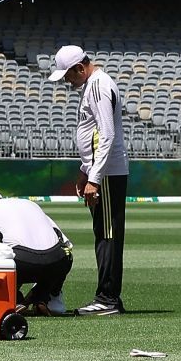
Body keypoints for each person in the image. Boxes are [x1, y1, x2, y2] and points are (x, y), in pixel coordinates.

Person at [49, 44, 128, 316]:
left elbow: (106, 135)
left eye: (68, 75)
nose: (67, 82)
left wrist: (94, 177)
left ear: (80, 68)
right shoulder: (93, 85)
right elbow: (94, 134)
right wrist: (85, 171)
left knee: (108, 236)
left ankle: (107, 299)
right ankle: (107, 296)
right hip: (102, 172)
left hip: (106, 174)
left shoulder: (97, 86)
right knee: (104, 235)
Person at [0, 189, 73, 316]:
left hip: (22, 265)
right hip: (56, 262)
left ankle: (14, 300)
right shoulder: (28, 204)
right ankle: (47, 299)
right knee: (66, 255)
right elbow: (67, 244)